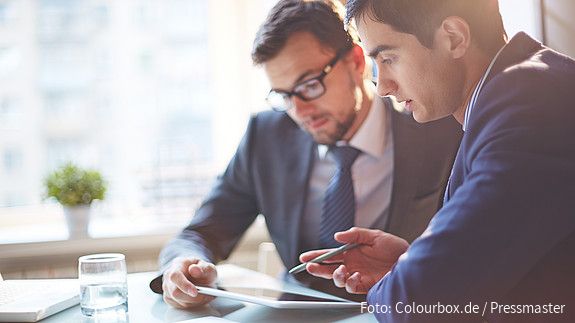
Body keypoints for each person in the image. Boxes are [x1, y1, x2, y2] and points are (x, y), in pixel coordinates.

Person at [149, 0, 461, 308]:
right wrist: (183, 267)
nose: (299, 112)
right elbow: (201, 233)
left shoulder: (438, 131)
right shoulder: (266, 137)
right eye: (284, 95)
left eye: (309, 86)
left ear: (356, 61)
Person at [301, 0, 575, 322]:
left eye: (389, 58)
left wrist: (406, 280)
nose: (383, 86)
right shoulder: (507, 97)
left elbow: (415, 302)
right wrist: (408, 261)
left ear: (454, 38)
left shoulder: (529, 107)